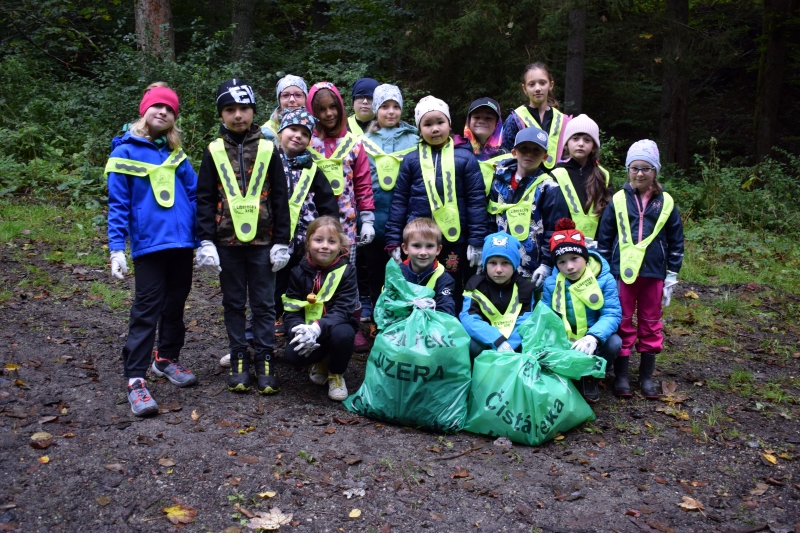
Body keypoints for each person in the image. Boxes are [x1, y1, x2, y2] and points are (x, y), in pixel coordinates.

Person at [106, 85, 198, 416]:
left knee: (175, 305)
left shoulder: (177, 155)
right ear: (144, 111)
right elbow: (118, 205)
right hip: (148, 247)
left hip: (182, 245)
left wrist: (202, 242)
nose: (162, 112)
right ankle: (135, 380)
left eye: (169, 109)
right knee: (146, 310)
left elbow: (195, 195)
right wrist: (117, 248)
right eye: (156, 107)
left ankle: (166, 359)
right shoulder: (124, 153)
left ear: (174, 119)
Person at [196, 78, 291, 395]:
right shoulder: (213, 151)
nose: (238, 115)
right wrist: (206, 240)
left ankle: (265, 359)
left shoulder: (268, 148)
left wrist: (282, 240)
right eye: (230, 109)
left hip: (264, 242)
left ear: (254, 111)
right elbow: (206, 197)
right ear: (221, 114)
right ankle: (239, 358)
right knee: (234, 303)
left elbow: (280, 196)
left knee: (264, 305)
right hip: (227, 243)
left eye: (244, 109)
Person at [596, 140, 684, 399]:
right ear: (628, 169)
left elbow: (676, 238)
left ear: (655, 170)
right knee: (622, 321)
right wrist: (604, 271)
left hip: (654, 273)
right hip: (621, 273)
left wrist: (672, 274)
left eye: (646, 168)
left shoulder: (666, 202)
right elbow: (605, 236)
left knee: (650, 323)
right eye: (634, 168)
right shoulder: (619, 200)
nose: (640, 173)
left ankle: (646, 378)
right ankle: (621, 377)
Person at [384, 95, 487, 311]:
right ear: (419, 129)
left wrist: (477, 240)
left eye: (440, 122)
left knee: (451, 283)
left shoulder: (466, 158)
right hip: (420, 239)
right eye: (427, 124)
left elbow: (476, 200)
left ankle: (450, 324)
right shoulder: (411, 160)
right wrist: (393, 239)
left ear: (450, 124)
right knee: (418, 283)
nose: (435, 129)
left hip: (454, 238)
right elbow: (400, 201)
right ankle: (415, 325)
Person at [306, 81, 375, 351]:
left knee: (347, 275)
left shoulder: (353, 144)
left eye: (333, 107)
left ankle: (350, 324)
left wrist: (367, 218)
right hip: (311, 222)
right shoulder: (307, 142)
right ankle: (314, 325)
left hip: (346, 224)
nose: (328, 114)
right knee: (315, 276)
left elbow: (363, 183)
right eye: (321, 109)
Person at [541, 218, 622, 402]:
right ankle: (565, 373)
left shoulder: (605, 279)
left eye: (574, 259)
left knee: (614, 343)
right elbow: (547, 316)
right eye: (561, 262)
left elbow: (612, 313)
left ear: (585, 256)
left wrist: (594, 336)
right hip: (565, 338)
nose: (569, 266)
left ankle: (591, 376)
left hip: (593, 337)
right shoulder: (551, 283)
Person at [360, 84, 420, 329]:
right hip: (375, 213)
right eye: (385, 106)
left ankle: (405, 315)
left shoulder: (414, 138)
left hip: (404, 212)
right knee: (374, 269)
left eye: (396, 106)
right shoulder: (364, 140)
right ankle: (377, 315)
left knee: (404, 267)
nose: (391, 112)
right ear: (376, 110)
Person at [282, 216, 359, 401]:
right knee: (293, 356)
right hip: (308, 330)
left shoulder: (347, 271)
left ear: (340, 244)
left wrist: (317, 327)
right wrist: (299, 331)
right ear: (308, 243)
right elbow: (291, 307)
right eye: (319, 240)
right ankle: (319, 361)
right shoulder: (297, 271)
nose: (325, 246)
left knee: (343, 335)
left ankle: (336, 374)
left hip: (337, 326)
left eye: (331, 241)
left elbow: (343, 309)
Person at [487, 126, 551, 280]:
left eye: (536, 150)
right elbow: (489, 219)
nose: (529, 153)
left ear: (544, 157)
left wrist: (546, 264)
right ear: (514, 152)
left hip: (533, 269)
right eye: (524, 148)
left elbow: (553, 228)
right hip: (499, 265)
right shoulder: (498, 183)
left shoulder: (549, 187)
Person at [460, 232, 535, 359]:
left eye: (505, 263)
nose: (499, 269)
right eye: (493, 263)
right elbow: (469, 318)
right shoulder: (475, 285)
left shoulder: (525, 288)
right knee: (472, 345)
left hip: (514, 344)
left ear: (515, 264)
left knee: (529, 345)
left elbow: (526, 321)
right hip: (486, 339)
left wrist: (509, 345)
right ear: (485, 264)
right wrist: (497, 341)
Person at [547, 114, 613, 242]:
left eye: (587, 140)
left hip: (598, 245)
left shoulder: (603, 175)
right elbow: (552, 215)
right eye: (575, 138)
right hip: (565, 244)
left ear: (594, 146)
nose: (581, 144)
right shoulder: (556, 174)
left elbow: (610, 215)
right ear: (566, 144)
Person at [501, 62, 569, 170]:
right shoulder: (515, 119)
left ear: (551, 85)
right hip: (525, 182)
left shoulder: (564, 121)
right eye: (531, 84)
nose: (537, 88)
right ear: (524, 88)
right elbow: (506, 155)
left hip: (557, 182)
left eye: (542, 83)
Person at [398, 218, 457, 317]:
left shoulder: (444, 279)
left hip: (430, 327)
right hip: (401, 325)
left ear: (438, 249)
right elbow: (386, 303)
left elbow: (446, 311)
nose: (423, 252)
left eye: (429, 246)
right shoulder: (396, 273)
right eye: (416, 246)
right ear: (405, 248)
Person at [463, 97, 512, 194]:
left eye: (488, 118)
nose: (481, 121)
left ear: (497, 123)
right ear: (468, 120)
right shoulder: (458, 151)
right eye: (476, 117)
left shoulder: (507, 157)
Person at [261, 74, 308, 141]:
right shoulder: (266, 131)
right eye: (285, 95)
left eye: (298, 95)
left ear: (306, 99)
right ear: (279, 100)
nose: (292, 99)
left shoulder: (317, 128)